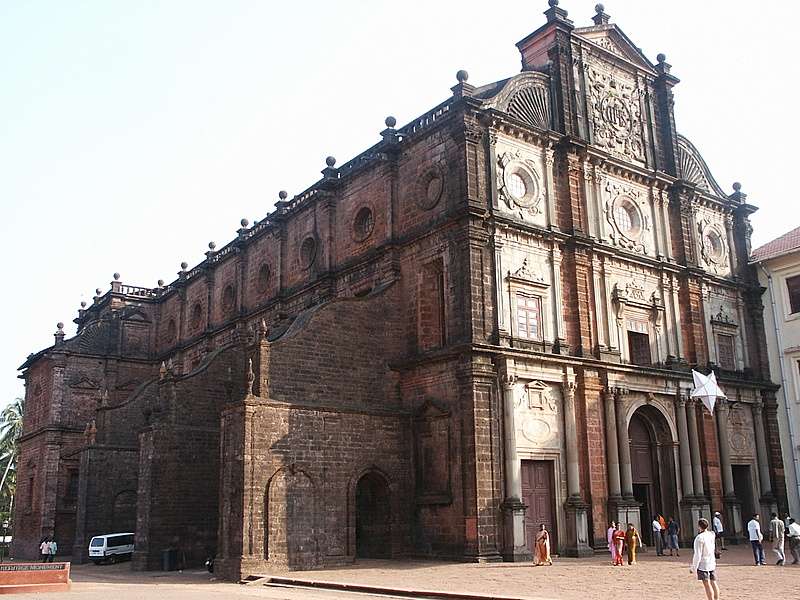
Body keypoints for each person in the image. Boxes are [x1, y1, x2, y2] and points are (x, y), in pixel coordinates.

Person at [690, 518, 720, 600]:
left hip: (703, 563)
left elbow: (698, 554)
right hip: (711, 562)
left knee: (707, 584)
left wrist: (693, 567)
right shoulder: (711, 534)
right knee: (713, 582)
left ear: (699, 527)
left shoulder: (699, 538)